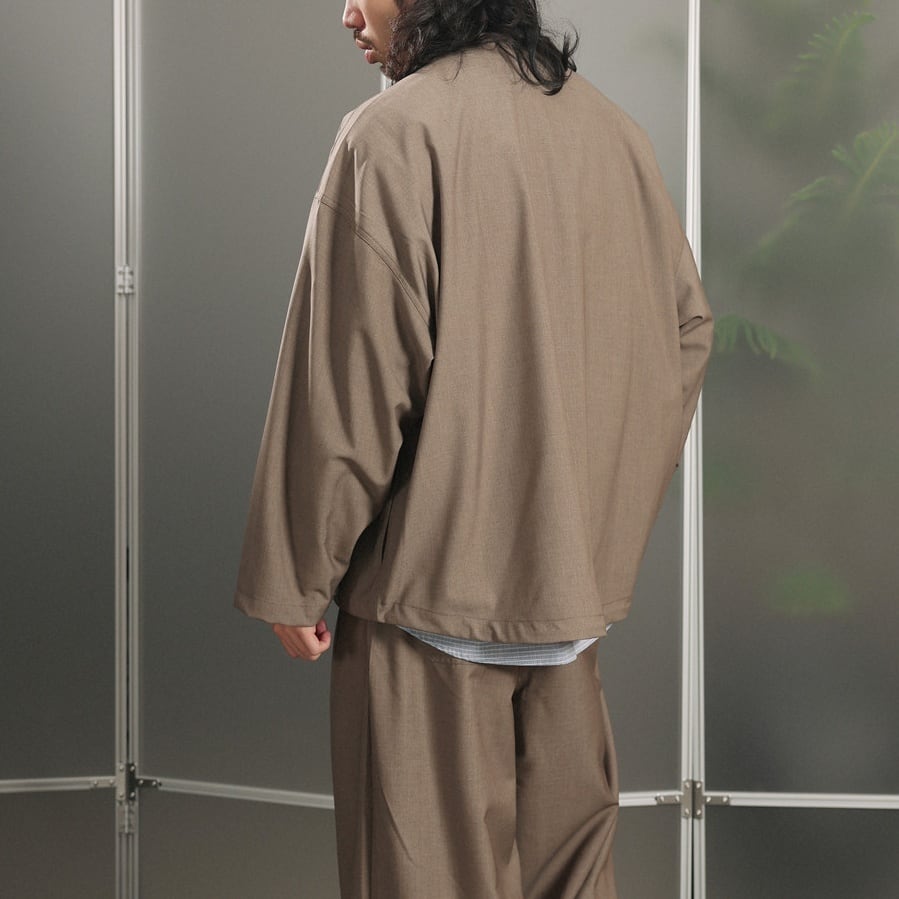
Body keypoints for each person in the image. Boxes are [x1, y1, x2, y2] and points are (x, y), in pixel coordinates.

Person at [234, 0, 713, 896]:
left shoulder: (392, 132)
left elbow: (349, 382)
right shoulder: (613, 132)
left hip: (428, 605)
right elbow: (682, 334)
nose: (348, 12)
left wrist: (295, 569)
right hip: (567, 611)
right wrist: (594, 509)